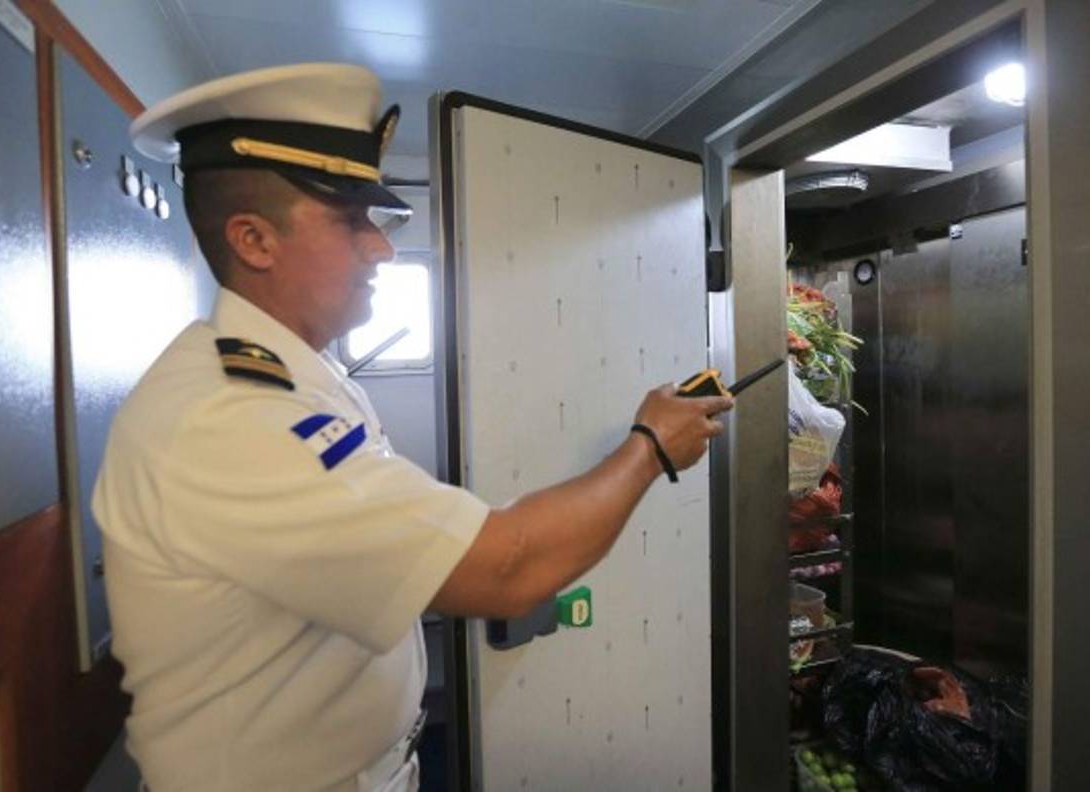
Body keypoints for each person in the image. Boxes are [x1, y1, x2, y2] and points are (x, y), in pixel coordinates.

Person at [93, 63, 731, 792]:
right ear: (254, 240)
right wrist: (649, 449)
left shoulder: (300, 375)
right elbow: (509, 570)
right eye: (350, 220)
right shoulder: (228, 417)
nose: (383, 247)